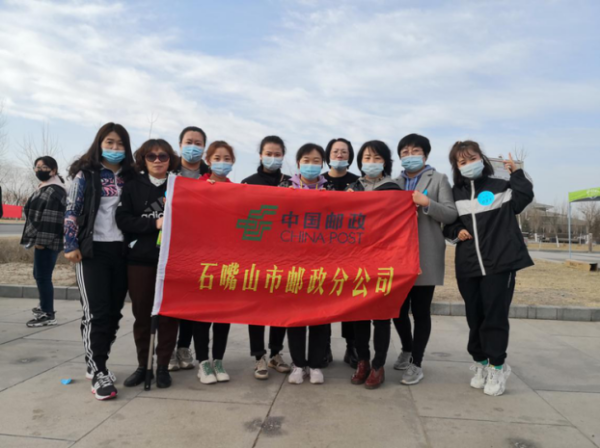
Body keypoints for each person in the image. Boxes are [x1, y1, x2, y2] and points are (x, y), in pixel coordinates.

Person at [443, 141, 534, 397]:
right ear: (457, 167)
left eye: (472, 159)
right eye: (462, 162)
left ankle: (497, 367)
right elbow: (447, 224)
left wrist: (516, 173)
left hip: (500, 263)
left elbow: (523, 199)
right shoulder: (455, 193)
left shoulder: (499, 186)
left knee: (495, 316)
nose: (468, 164)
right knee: (475, 317)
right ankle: (481, 362)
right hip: (468, 266)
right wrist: (456, 231)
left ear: (481, 159)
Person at [64, 123, 135, 401]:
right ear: (100, 144)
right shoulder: (87, 174)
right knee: (96, 312)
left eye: (120, 143)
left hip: (123, 250)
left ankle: (96, 360)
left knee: (114, 313)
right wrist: (71, 244)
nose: (115, 148)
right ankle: (98, 371)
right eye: (110, 142)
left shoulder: (131, 177)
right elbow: (72, 209)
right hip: (92, 251)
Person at [393, 134, 458, 385]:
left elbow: (450, 214)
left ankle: (416, 363)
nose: (410, 156)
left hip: (425, 254)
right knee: (397, 310)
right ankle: (407, 348)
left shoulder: (438, 179)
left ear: (426, 155)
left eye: (415, 151)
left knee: (420, 311)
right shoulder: (394, 183)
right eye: (405, 152)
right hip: (397, 257)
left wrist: (428, 203)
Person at [116, 139, 180, 389]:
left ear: (170, 160)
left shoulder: (179, 185)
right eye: (151, 156)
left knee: (168, 316)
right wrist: (154, 224)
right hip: (140, 260)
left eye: (163, 156)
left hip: (172, 260)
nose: (157, 160)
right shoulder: (132, 186)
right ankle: (144, 366)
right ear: (143, 159)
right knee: (142, 315)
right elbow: (123, 219)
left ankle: (163, 366)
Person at [347, 140, 401, 389]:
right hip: (357, 260)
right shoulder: (352, 188)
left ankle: (378, 365)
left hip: (384, 260)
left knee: (381, 316)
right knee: (359, 314)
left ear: (385, 162)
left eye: (377, 158)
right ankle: (363, 361)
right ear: (360, 162)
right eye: (367, 158)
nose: (371, 162)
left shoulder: (394, 189)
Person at [241, 136, 292, 380]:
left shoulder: (291, 184)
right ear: (260, 155)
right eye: (268, 153)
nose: (273, 158)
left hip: (284, 255)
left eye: (277, 154)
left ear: (283, 156)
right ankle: (258, 356)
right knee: (257, 307)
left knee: (280, 306)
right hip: (256, 255)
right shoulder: (247, 183)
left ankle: (275, 353)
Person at [281, 143, 330, 385]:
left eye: (316, 160)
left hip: (324, 263)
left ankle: (316, 364)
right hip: (293, 263)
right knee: (296, 317)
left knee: (321, 316)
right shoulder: (284, 188)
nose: (311, 164)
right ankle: (298, 364)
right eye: (306, 160)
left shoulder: (331, 190)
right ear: (298, 163)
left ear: (322, 164)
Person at [168, 126, 210, 372]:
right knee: (170, 299)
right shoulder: (167, 170)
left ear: (204, 147)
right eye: (188, 141)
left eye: (198, 143)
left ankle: (184, 347)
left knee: (191, 301)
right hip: (170, 245)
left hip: (200, 248)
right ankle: (167, 349)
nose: (193, 146)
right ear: (180, 144)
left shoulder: (210, 174)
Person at [195, 141, 236, 384]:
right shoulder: (195, 187)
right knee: (202, 314)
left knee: (222, 314)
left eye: (227, 158)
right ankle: (203, 362)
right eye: (217, 158)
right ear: (208, 161)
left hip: (228, 262)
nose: (222, 162)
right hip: (202, 261)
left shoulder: (238, 191)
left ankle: (218, 360)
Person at [323, 138, 360, 368]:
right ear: (328, 155)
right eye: (335, 151)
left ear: (350, 156)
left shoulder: (358, 182)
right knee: (323, 300)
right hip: (321, 253)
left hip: (350, 253)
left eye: (344, 152)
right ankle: (323, 346)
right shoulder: (318, 181)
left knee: (350, 302)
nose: (339, 155)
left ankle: (351, 347)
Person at [20, 156, 67, 327]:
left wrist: (42, 242)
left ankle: (48, 314)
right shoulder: (45, 187)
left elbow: (52, 219)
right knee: (39, 275)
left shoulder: (54, 190)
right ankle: (44, 306)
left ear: (53, 170)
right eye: (37, 167)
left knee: (43, 276)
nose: (39, 170)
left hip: (47, 240)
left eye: (44, 167)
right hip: (43, 239)